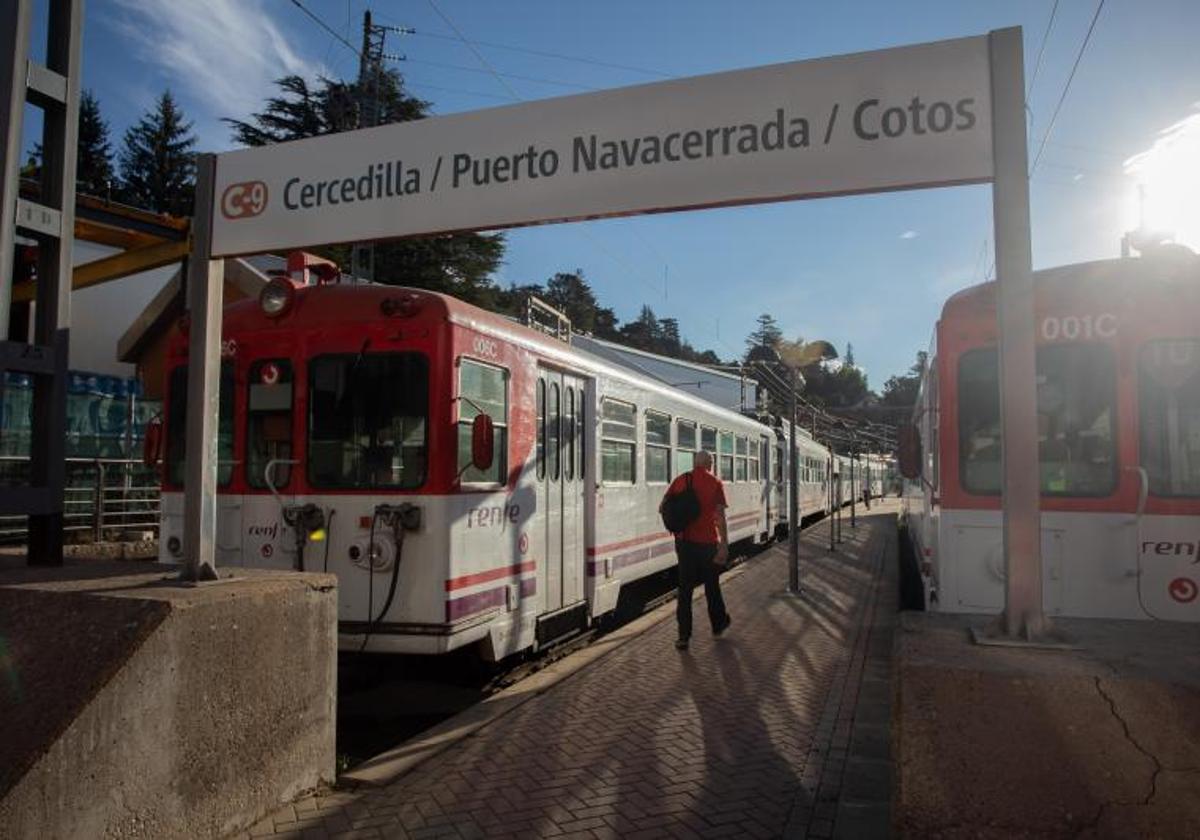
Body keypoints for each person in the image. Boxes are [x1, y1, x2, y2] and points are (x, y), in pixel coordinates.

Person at [659, 450, 731, 650]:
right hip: (708, 544)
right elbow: (720, 517)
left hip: (684, 544)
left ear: (694, 463)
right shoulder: (715, 483)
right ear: (709, 464)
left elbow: (662, 507)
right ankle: (718, 625)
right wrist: (724, 544)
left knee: (685, 590)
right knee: (712, 587)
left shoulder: (681, 480)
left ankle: (683, 636)